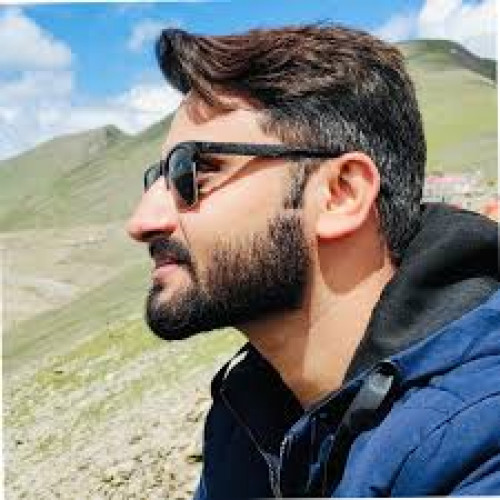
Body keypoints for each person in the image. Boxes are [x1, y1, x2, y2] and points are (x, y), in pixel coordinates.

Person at [127, 25, 500, 498]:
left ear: (340, 194)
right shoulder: (248, 416)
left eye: (192, 171)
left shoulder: (477, 440)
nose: (142, 222)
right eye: (157, 178)